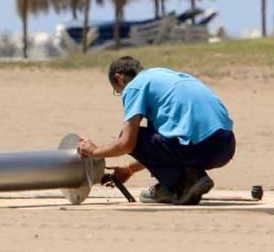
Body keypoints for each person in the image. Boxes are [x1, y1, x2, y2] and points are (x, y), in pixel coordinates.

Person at [77, 56, 235, 205]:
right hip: (225, 146)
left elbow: (127, 143)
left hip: (200, 146)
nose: (121, 94)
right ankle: (188, 178)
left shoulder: (134, 86)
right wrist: (130, 169)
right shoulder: (161, 76)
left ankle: (183, 184)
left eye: (117, 90)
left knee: (134, 137)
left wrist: (94, 151)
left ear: (119, 78)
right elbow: (163, 143)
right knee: (153, 134)